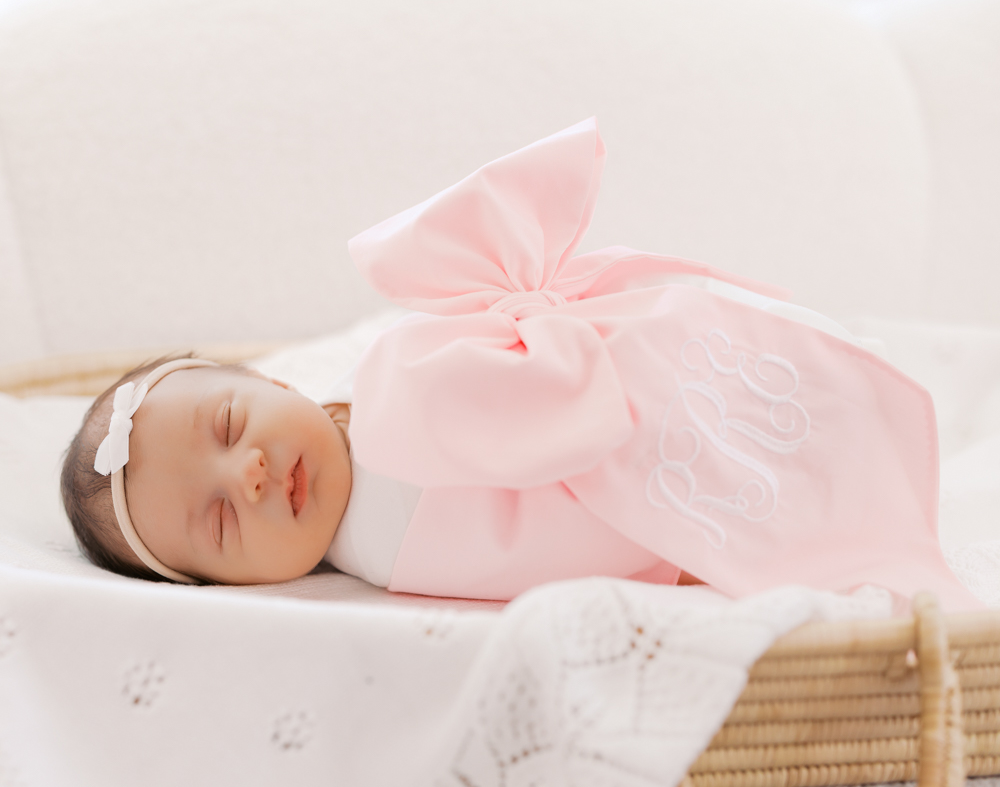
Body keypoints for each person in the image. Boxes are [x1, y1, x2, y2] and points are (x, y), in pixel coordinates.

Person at [61, 119, 983, 611]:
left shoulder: (362, 388)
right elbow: (554, 549)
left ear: (276, 385)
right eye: (219, 521)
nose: (249, 473)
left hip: (630, 367)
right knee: (771, 459)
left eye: (228, 428)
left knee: (739, 353)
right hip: (625, 452)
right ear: (233, 590)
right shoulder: (388, 543)